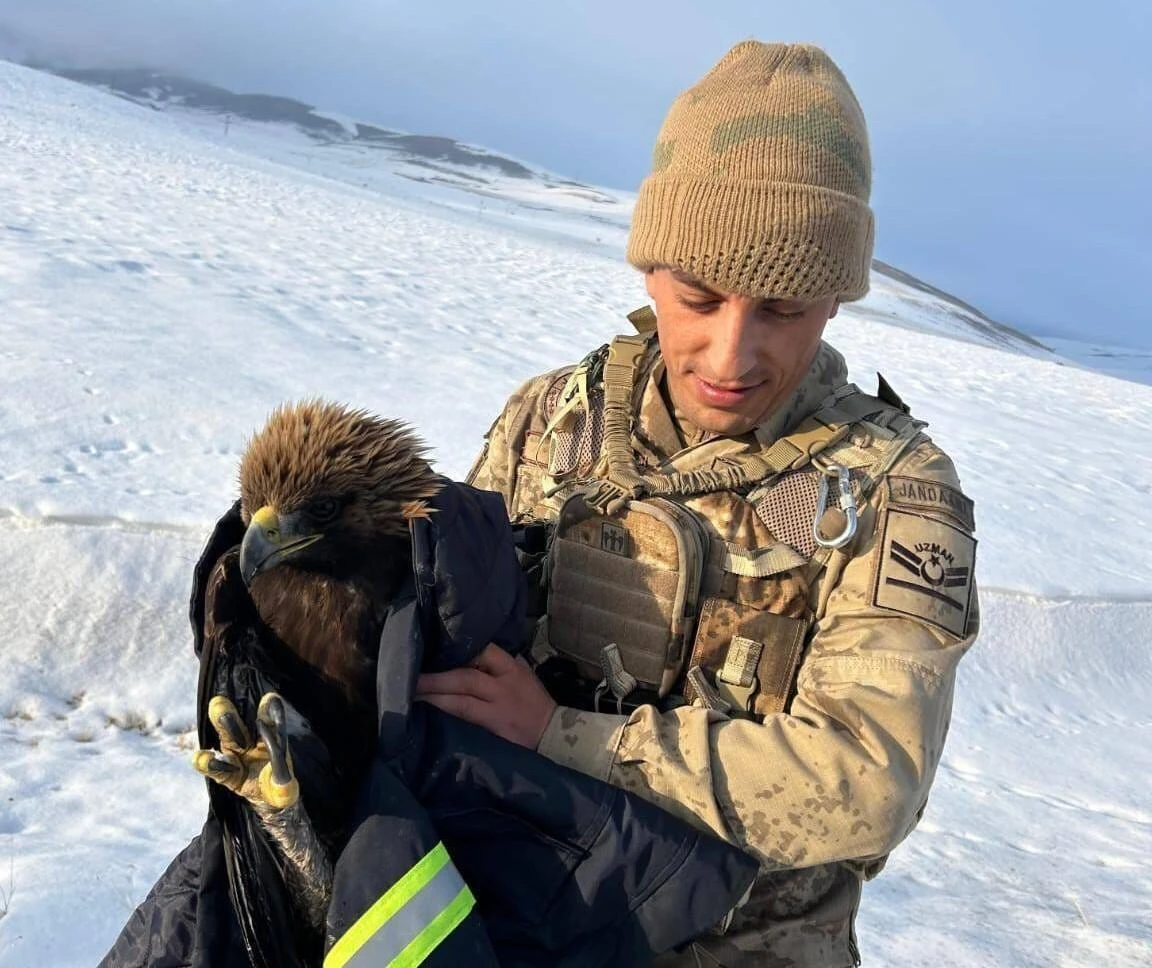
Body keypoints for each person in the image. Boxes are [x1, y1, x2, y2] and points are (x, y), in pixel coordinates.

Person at [417, 39, 979, 968]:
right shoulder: (554, 416)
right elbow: (450, 632)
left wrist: (568, 738)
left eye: (783, 310)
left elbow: (868, 782)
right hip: (515, 914)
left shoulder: (892, 493)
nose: (731, 355)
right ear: (649, 271)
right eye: (700, 297)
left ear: (835, 300)